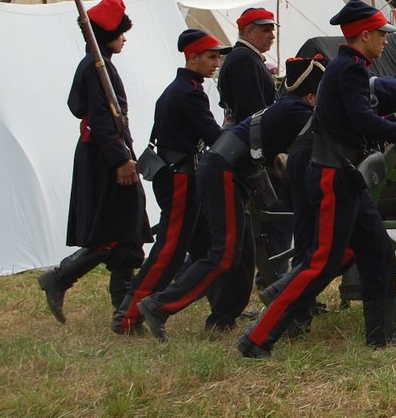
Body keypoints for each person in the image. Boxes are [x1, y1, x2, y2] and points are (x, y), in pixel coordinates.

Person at [238, 0, 396, 358]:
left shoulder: (349, 68)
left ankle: (382, 336)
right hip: (334, 176)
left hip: (349, 177)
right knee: (322, 262)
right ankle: (257, 339)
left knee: (378, 251)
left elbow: (353, 125)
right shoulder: (348, 70)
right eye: (381, 35)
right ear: (364, 35)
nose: (385, 42)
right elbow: (363, 122)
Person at [124, 56, 324, 340]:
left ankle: (222, 317)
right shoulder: (298, 111)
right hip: (225, 170)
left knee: (242, 254)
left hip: (230, 170)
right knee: (224, 254)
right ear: (311, 96)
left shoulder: (289, 106)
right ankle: (158, 306)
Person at [38, 0, 152, 324]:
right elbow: (102, 120)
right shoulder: (94, 67)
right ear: (108, 34)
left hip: (108, 153)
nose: (125, 38)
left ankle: (122, 312)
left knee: (125, 231)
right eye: (121, 32)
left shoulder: (101, 64)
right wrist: (121, 159)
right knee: (117, 229)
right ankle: (64, 280)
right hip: (105, 158)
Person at [115, 29, 231, 336]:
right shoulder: (188, 92)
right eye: (210, 56)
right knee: (170, 250)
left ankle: (225, 311)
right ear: (192, 57)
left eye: (217, 57)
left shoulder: (183, 87)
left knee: (206, 247)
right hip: (179, 177)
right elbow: (213, 136)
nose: (215, 62)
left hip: (180, 175)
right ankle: (128, 315)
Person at [217, 7, 278, 126]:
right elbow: (250, 111)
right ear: (249, 32)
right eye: (266, 30)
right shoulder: (243, 59)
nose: (272, 36)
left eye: (272, 31)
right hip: (248, 136)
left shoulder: (247, 57)